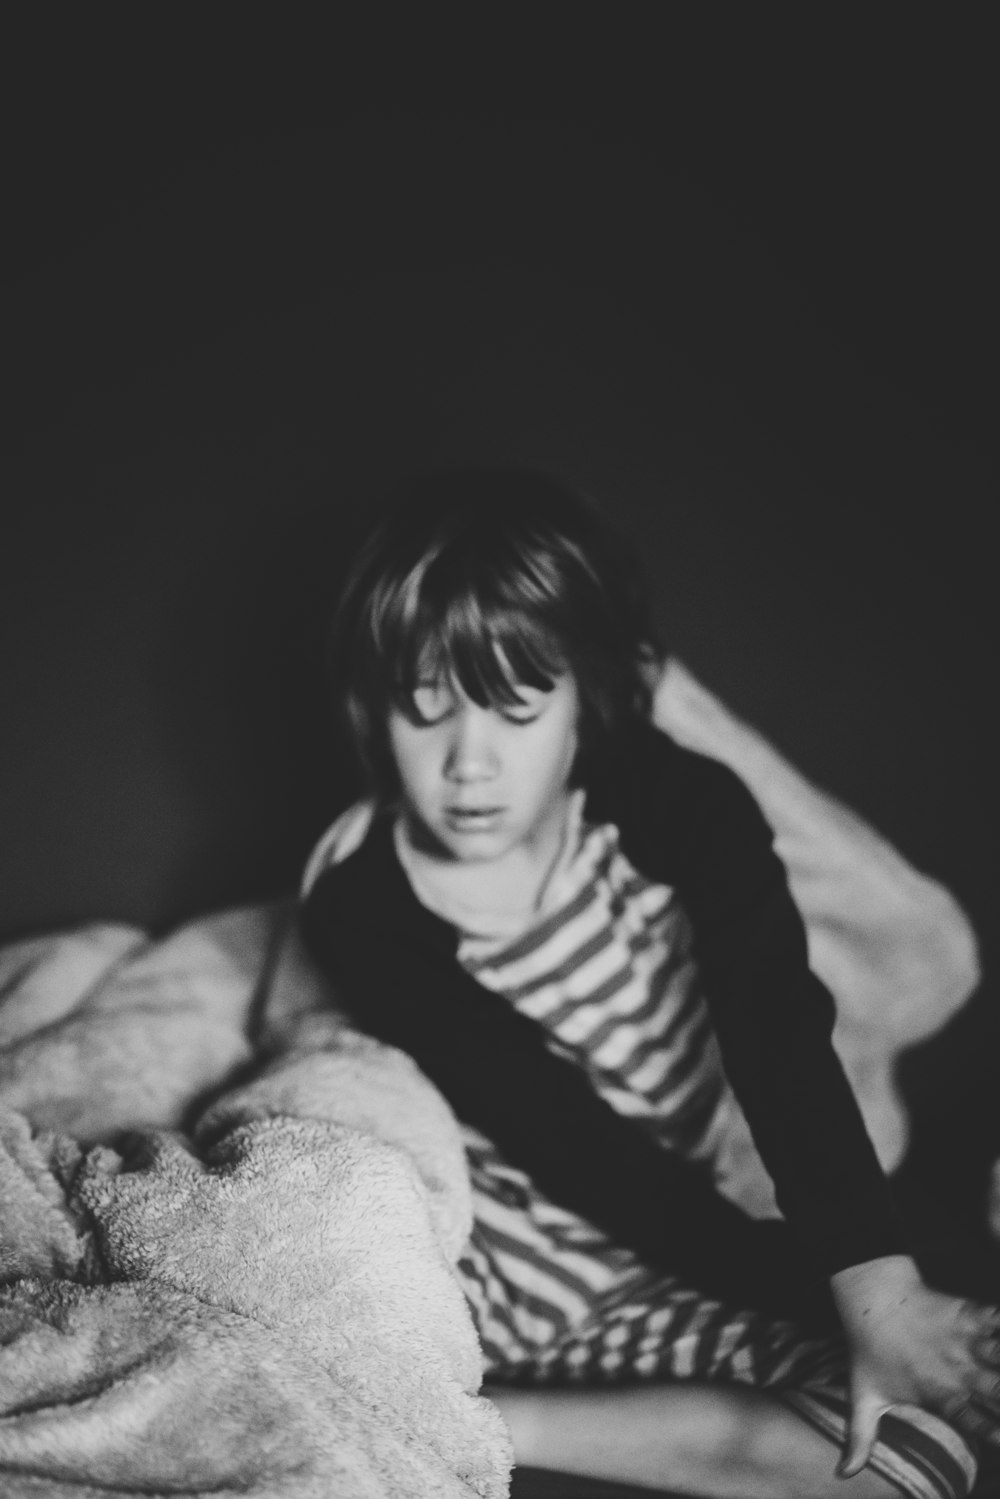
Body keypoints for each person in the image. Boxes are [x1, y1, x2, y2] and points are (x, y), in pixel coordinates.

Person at [299, 466, 999, 1498]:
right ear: (374, 707)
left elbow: (775, 1021)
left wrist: (872, 1288)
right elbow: (572, 1145)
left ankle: (500, 1418)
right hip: (515, 1273)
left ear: (586, 696)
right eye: (424, 710)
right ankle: (478, 1415)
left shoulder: (682, 803)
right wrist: (821, 1299)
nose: (468, 764)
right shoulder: (362, 902)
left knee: (919, 1447)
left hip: (676, 1253)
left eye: (519, 708)